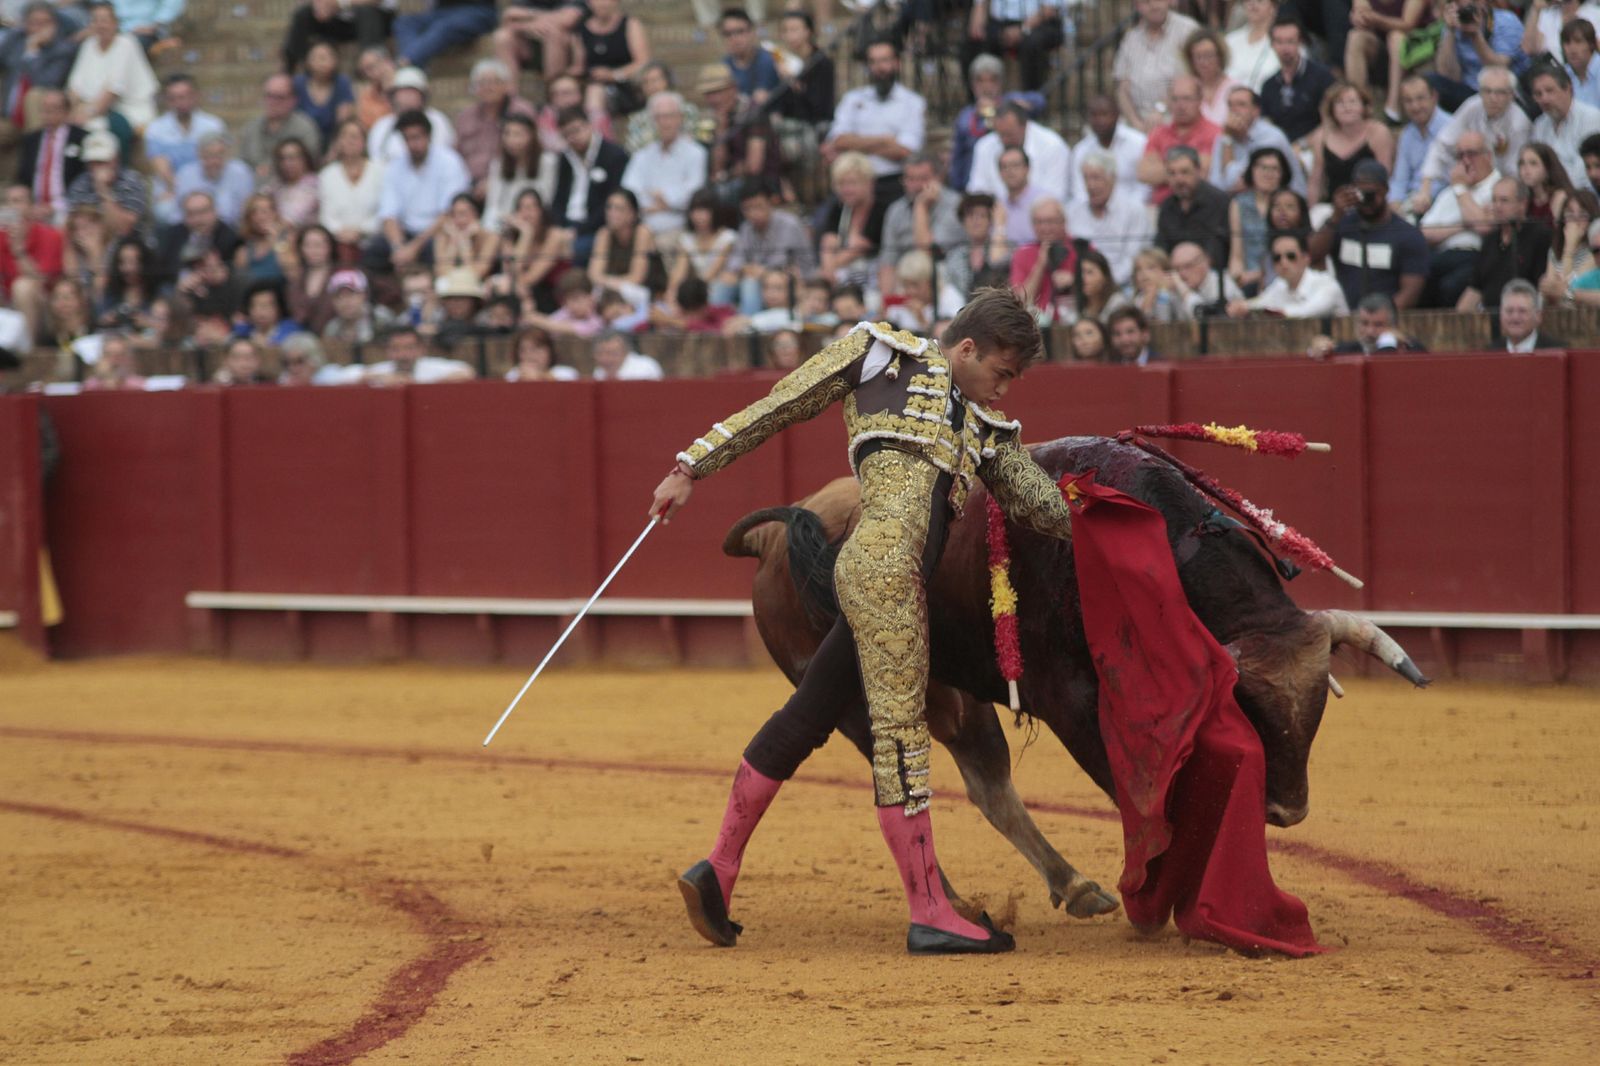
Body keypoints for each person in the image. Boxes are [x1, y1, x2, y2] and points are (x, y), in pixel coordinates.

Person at [659, 288, 1079, 956]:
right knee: (901, 735)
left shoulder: (983, 428)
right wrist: (691, 466)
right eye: (1001, 372)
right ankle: (930, 912)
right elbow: (781, 404)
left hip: (867, 573)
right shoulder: (883, 352)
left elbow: (1044, 507)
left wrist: (1110, 503)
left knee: (806, 717)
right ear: (966, 348)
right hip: (889, 575)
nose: (1005, 390)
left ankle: (717, 869)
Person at [1310, 158, 1429, 310]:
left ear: (1386, 190)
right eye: (1361, 193)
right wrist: (1335, 216)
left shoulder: (1407, 235)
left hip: (1385, 319)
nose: (1367, 200)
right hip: (1343, 314)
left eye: (1372, 193)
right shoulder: (1343, 224)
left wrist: (1377, 320)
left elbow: (1410, 293)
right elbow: (1312, 255)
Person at [821, 36, 926, 193]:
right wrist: (885, 140)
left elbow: (906, 151)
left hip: (893, 181)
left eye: (884, 60)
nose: (879, 67)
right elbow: (838, 140)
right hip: (854, 183)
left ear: (897, 63)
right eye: (873, 62)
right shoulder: (853, 99)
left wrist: (855, 145)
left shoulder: (912, 102)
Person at [375, 109, 471, 270]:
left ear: (428, 136)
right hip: (405, 233)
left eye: (416, 137)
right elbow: (389, 214)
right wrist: (399, 248)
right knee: (375, 250)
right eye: (407, 139)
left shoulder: (450, 162)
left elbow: (448, 214)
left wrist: (414, 248)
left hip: (438, 233)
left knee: (434, 249)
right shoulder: (395, 167)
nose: (412, 144)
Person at [1418, 129, 1500, 307]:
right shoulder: (1450, 191)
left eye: (1471, 154)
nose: (1465, 161)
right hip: (1443, 254)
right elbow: (1425, 232)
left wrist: (1462, 189)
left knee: (1451, 286)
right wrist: (1464, 224)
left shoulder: (1498, 187)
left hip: (1477, 256)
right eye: (1460, 155)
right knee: (1416, 274)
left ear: (1488, 156)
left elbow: (1483, 227)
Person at [1419, 68, 1528, 199]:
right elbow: (1442, 144)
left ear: (1511, 95)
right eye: (1487, 91)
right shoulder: (1472, 106)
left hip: (1500, 189)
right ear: (1480, 92)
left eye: (1500, 93)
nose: (1493, 98)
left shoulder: (1519, 123)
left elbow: (1514, 173)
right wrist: (1425, 188)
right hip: (1467, 180)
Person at [620, 91, 707, 238]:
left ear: (680, 118)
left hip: (679, 226)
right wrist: (657, 204)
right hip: (642, 226)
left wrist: (665, 198)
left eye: (669, 116)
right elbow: (629, 191)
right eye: (658, 117)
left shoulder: (696, 153)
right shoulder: (642, 155)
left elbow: (694, 193)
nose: (664, 122)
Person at [1457, 177, 1553, 311]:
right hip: (1489, 318)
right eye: (1494, 200)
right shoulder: (1490, 240)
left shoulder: (1539, 235)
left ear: (1522, 204)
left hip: (1523, 316)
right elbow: (1475, 288)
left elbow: (1543, 287)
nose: (1497, 206)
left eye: (1504, 200)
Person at [876, 154, 965, 298]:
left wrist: (920, 207)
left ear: (938, 178)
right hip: (905, 279)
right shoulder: (896, 210)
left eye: (923, 179)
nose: (916, 186)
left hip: (944, 278)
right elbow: (888, 261)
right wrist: (887, 301)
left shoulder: (955, 205)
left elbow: (928, 252)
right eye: (911, 179)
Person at [66, 2, 159, 132]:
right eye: (95, 20)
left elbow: (113, 90)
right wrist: (71, 111)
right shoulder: (88, 44)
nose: (100, 25)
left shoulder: (126, 44)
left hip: (127, 110)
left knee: (93, 128)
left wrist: (87, 113)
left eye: (104, 20)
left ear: (115, 23)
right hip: (91, 108)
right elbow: (74, 86)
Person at [550, 103, 630, 252]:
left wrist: (578, 231)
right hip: (566, 224)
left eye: (576, 130)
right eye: (566, 134)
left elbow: (610, 204)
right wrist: (559, 226)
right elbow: (559, 198)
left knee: (575, 249)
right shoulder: (565, 157)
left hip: (596, 227)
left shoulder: (614, 156)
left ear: (589, 125)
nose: (573, 138)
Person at [1113, 0, 1201, 132]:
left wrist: (1161, 109)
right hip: (1135, 123)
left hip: (1174, 119)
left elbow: (1195, 77)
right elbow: (1122, 87)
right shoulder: (1131, 38)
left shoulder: (1187, 29)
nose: (1154, 5)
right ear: (1137, 6)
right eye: (1146, 2)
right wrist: (1135, 122)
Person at [453, 58, 537, 194]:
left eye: (494, 82)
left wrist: (494, 182)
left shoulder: (522, 110)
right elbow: (456, 156)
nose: (488, 87)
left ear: (506, 85)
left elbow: (533, 151)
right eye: (482, 83)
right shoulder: (465, 117)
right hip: (469, 185)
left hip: (512, 182)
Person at [1067, 152, 1152, 286]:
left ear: (1112, 178)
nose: (1091, 185)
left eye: (1096, 178)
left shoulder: (1134, 211)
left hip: (1123, 286)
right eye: (1086, 179)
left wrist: (1103, 284)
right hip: (1081, 286)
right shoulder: (1073, 212)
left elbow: (1133, 259)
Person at [143, 74, 226, 210]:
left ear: (195, 96)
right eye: (173, 98)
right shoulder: (156, 129)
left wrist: (199, 196)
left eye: (184, 96)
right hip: (171, 191)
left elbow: (216, 163)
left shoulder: (213, 125)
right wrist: (184, 194)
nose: (180, 102)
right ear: (167, 100)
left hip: (208, 189)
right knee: (165, 211)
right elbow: (162, 170)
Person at [1431, 0, 1528, 114]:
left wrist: (1475, 35)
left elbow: (1499, 68)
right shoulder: (1452, 26)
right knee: (1431, 82)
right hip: (1471, 92)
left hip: (1504, 91)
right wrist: (1450, 32)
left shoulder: (1506, 21)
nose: (1466, 10)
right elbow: (1447, 76)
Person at [697, 61, 779, 197]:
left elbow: (754, 166)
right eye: (708, 94)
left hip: (761, 184)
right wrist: (721, 127)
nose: (713, 99)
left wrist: (727, 175)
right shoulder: (714, 119)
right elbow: (717, 168)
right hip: (731, 183)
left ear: (732, 89)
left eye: (717, 92)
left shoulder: (752, 112)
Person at [1308, 82, 1396, 207]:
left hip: (1369, 205)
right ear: (1332, 109)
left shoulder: (1378, 132)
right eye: (1340, 103)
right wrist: (1311, 212)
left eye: (1353, 102)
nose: (1347, 107)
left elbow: (1386, 175)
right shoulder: (1321, 136)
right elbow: (1315, 182)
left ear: (1364, 106)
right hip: (1333, 205)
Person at [729, 179, 814, 309]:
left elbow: (782, 263)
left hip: (794, 281)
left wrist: (760, 271)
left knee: (750, 283)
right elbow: (734, 262)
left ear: (772, 202)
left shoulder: (789, 224)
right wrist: (746, 269)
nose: (753, 213)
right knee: (724, 282)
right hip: (762, 279)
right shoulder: (746, 228)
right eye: (747, 209)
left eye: (758, 206)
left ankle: (749, 326)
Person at [1137, 76, 1222, 204]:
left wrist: (1163, 169)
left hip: (1201, 208)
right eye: (1175, 99)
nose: (1180, 105)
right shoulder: (1158, 133)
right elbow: (1144, 173)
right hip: (1161, 208)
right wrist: (1186, 170)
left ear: (1200, 100)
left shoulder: (1215, 133)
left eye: (1187, 99)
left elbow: (1204, 173)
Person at [0, 2, 79, 139]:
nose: (40, 28)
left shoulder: (63, 49)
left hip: (40, 116)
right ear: (26, 24)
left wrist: (32, 52)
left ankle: (36, 149)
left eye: (45, 23)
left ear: (55, 25)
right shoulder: (16, 39)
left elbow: (44, 82)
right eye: (35, 22)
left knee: (34, 95)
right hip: (8, 115)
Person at [967, 100, 1070, 204]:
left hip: (1040, 216)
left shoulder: (1053, 146)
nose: (1004, 140)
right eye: (1000, 134)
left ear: (1024, 126)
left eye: (1009, 134)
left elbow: (1054, 197)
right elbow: (977, 191)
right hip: (996, 216)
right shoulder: (984, 146)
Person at [1209, 85, 1305, 195]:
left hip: (1285, 201)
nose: (1234, 110)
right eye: (1230, 105)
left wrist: (1228, 140)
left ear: (1256, 111)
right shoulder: (1225, 135)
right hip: (1243, 201)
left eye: (1241, 104)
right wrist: (1227, 137)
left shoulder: (1271, 138)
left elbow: (1235, 182)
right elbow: (1215, 183)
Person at [1227, 230, 1347, 318]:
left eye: (1291, 256)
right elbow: (1262, 302)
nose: (1283, 263)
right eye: (1277, 258)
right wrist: (1243, 306)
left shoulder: (1326, 283)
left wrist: (1278, 312)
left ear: (1306, 258)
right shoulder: (1280, 284)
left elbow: (1309, 310)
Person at [1344, 0, 1430, 123]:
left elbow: (1408, 24)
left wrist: (1376, 18)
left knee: (1396, 37)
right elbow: (1360, 9)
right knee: (1355, 37)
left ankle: (1393, 108)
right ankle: (1357, 103)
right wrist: (1360, 17)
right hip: (1381, 50)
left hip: (1416, 51)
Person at [1259, 16, 1336, 145]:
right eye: (1279, 41)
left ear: (1300, 42)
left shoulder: (1323, 77)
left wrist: (1303, 144)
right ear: (1272, 44)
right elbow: (1266, 123)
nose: (1285, 48)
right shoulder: (1269, 85)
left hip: (1315, 147)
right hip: (1279, 151)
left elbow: (1331, 121)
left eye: (1290, 41)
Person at [818, 151, 889, 290]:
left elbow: (861, 246)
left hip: (874, 278)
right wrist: (829, 267)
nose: (846, 189)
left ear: (869, 183)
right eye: (841, 184)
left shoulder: (881, 211)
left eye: (852, 183)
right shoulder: (838, 210)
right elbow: (828, 244)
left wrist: (833, 262)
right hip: (841, 277)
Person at [962, 0, 1066, 94]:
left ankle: (1031, 100)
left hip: (1041, 22)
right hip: (999, 22)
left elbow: (1050, 8)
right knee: (972, 45)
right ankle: (977, 105)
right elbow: (980, 6)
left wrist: (1023, 29)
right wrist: (978, 15)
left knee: (1032, 45)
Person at [14, 90, 86, 227]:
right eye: (44, 108)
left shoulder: (80, 138)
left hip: (67, 207)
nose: (47, 113)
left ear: (66, 112)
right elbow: (23, 177)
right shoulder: (32, 139)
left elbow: (83, 177)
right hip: (34, 206)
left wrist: (56, 206)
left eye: (53, 108)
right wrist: (29, 205)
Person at [1228, 146, 1294, 293]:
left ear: (1282, 174)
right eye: (1262, 167)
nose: (1267, 173)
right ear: (1252, 170)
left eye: (1274, 169)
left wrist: (1259, 275)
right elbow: (1236, 253)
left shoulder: (1290, 203)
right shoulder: (1239, 203)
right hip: (1246, 276)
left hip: (1281, 274)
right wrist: (1236, 279)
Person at [1154, 145, 1230, 268]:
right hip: (1174, 275)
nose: (1179, 179)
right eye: (1172, 173)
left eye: (1184, 172)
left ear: (1198, 171)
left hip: (1212, 275)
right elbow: (1161, 249)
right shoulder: (1167, 206)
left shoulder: (1219, 202)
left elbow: (1217, 251)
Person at [573, 0, 652, 117]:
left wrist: (613, 75)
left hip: (626, 85)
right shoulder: (581, 29)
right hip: (592, 84)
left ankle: (598, 131)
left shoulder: (630, 25)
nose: (603, 3)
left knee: (595, 92)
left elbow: (644, 62)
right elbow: (579, 66)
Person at [1066, 94, 1148, 205]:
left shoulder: (1138, 143)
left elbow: (1144, 187)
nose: (1100, 120)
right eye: (1094, 115)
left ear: (1117, 115)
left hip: (1133, 212)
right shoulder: (1081, 150)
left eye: (1104, 114)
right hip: (1093, 214)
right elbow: (1079, 192)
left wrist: (1124, 211)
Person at [239, 73, 324, 179]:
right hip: (255, 189)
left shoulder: (305, 129)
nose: (272, 102)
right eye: (269, 96)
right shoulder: (251, 128)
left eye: (279, 97)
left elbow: (309, 166)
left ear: (293, 100)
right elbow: (241, 164)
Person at [1530, 66, 1600, 194]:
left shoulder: (1591, 118)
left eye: (1549, 91)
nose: (1544, 99)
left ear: (1568, 89)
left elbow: (1584, 170)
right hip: (1549, 193)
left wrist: (1558, 191)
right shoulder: (1540, 125)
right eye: (1538, 94)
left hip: (1584, 194)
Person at [319, 118, 386, 252]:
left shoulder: (381, 171)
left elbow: (385, 210)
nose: (349, 141)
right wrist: (340, 232)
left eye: (354, 137)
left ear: (364, 141)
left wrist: (360, 231)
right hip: (336, 241)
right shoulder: (326, 175)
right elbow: (325, 214)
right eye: (344, 136)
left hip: (374, 240)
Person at [367, 66, 456, 164]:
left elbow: (446, 155)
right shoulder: (382, 126)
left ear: (422, 96)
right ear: (394, 96)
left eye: (412, 92)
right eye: (403, 92)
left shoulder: (438, 121)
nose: (407, 98)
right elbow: (376, 161)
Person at [1389, 75, 1450, 216]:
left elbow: (1452, 178)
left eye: (1420, 98)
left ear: (1434, 97)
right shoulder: (1407, 134)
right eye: (1408, 101)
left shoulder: (1451, 128)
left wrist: (1425, 196)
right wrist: (1395, 205)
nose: (1415, 106)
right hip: (1411, 202)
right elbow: (1400, 180)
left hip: (1442, 201)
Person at [482, 114, 552, 233]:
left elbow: (546, 200)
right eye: (507, 134)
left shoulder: (548, 163)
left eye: (518, 134)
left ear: (531, 136)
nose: (511, 140)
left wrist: (520, 220)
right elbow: (492, 205)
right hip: (503, 225)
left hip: (535, 226)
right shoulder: (498, 165)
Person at [283, 0, 395, 74]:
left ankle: (372, 67)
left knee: (366, 11)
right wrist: (319, 6)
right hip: (340, 20)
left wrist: (340, 3)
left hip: (377, 18)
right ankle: (291, 70)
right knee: (303, 14)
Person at [1010, 196, 1075, 318]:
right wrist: (1040, 264)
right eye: (1039, 222)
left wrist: (1074, 281)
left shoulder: (1080, 248)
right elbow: (1020, 303)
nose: (1045, 228)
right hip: (1036, 324)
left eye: (1050, 221)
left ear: (1063, 222)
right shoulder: (1022, 254)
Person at [393, 0, 498, 71]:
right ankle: (412, 67)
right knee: (405, 22)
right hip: (442, 12)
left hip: (477, 10)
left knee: (444, 27)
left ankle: (406, 64)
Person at [1308, 292, 1426, 355]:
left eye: (1378, 325)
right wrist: (1318, 349)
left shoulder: (1411, 349)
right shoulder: (1346, 351)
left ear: (1393, 326)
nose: (1370, 331)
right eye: (1364, 323)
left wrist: (1388, 342)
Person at [940, 193, 1011, 297]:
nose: (976, 221)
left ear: (991, 221)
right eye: (970, 215)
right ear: (963, 221)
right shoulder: (955, 255)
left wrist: (999, 227)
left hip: (995, 305)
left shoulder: (1002, 246)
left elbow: (998, 262)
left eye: (982, 216)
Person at [494, 0, 584, 82]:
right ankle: (510, 95)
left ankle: (553, 91)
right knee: (502, 37)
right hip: (528, 43)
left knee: (554, 33)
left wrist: (529, 18)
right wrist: (530, 25)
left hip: (566, 46)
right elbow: (509, 15)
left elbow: (568, 19)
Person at [358, 323, 474, 383]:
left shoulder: (430, 367)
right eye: (396, 349)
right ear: (387, 351)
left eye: (409, 348)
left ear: (421, 349)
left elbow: (467, 371)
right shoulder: (382, 370)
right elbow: (349, 375)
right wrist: (382, 378)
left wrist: (422, 385)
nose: (403, 355)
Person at [293, 40, 356, 149]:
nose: (320, 62)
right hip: (301, 142)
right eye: (316, 57)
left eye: (325, 58)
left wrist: (334, 150)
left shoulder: (342, 83)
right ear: (307, 61)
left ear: (335, 60)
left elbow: (342, 123)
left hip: (333, 140)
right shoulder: (297, 83)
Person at [719, 7, 778, 103]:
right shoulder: (724, 66)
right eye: (728, 34)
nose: (734, 38)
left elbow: (761, 99)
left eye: (740, 31)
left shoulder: (767, 60)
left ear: (752, 32)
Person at [1170, 239, 1243, 316]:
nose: (1181, 273)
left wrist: (1186, 293)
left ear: (1204, 263)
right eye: (1177, 269)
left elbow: (1206, 316)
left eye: (1187, 266)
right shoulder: (1175, 286)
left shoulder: (1222, 283)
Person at [1183, 27, 1237, 126]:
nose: (1204, 62)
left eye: (1209, 55)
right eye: (1198, 57)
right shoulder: (1185, 89)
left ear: (1220, 56)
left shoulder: (1235, 88)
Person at [1226, 0, 1281, 92]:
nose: (1253, 4)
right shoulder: (1230, 40)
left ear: (1273, 7)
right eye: (1248, 1)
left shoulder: (1283, 41)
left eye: (1260, 1)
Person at [266, 138, 320, 230]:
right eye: (282, 159)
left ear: (304, 159)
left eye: (291, 158)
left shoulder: (313, 184)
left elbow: (292, 219)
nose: (286, 163)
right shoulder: (276, 184)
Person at [1498, 278, 1564, 349]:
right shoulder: (1490, 353)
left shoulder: (1557, 351)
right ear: (1501, 314)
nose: (1515, 317)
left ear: (1538, 316)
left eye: (1522, 311)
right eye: (1509, 311)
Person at [1125, 246, 1184, 322]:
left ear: (1165, 271)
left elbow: (1165, 319)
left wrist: (1163, 290)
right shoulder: (1136, 299)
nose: (1144, 273)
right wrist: (1150, 296)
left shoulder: (1174, 293)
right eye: (1139, 269)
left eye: (1151, 268)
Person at [591, 327, 663, 379]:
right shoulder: (599, 372)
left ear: (625, 352)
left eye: (611, 353)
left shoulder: (645, 368)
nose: (605, 359)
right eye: (599, 353)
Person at [1564, 17, 1600, 110]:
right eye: (1567, 43)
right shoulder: (1564, 73)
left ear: (1591, 44)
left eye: (1578, 42)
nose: (1572, 49)